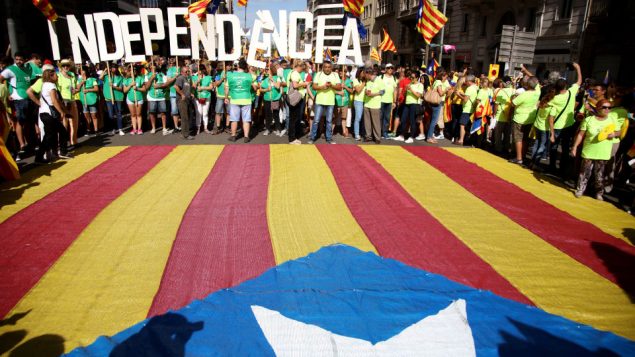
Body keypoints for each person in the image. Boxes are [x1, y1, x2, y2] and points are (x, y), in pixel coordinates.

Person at [571, 99, 619, 200]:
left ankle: (599, 193)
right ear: (598, 108)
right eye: (604, 107)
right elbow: (580, 135)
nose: (607, 110)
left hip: (603, 152)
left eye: (609, 108)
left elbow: (619, 132)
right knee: (584, 173)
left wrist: (614, 134)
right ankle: (580, 190)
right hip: (589, 150)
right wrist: (575, 147)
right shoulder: (589, 120)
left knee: (599, 175)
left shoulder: (612, 119)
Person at [548, 62, 582, 177]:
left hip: (557, 127)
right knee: (566, 147)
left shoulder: (555, 99)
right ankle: (563, 168)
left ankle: (552, 166)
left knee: (554, 147)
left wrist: (552, 133)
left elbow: (550, 116)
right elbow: (579, 81)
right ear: (566, 86)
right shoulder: (571, 93)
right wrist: (578, 68)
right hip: (569, 125)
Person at [0, 52, 33, 158]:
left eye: (21, 59)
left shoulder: (27, 69)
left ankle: (28, 143)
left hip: (27, 99)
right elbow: (1, 79)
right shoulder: (10, 69)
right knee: (20, 121)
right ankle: (22, 144)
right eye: (17, 59)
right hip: (18, 100)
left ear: (25, 60)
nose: (18, 61)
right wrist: (8, 93)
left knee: (27, 122)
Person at [36, 68, 71, 163]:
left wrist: (64, 110)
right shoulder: (51, 85)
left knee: (50, 134)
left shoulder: (44, 85)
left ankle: (41, 156)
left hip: (44, 113)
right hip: (49, 114)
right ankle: (61, 152)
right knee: (55, 134)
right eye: (56, 75)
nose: (57, 76)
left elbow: (56, 100)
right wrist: (61, 112)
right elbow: (54, 100)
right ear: (51, 76)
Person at [510, 68, 541, 164]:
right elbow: (535, 80)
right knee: (526, 139)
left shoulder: (524, 95)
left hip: (519, 119)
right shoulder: (537, 92)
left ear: (527, 84)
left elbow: (513, 104)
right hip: (530, 119)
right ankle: (522, 156)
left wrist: (513, 97)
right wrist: (525, 70)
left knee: (518, 138)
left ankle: (519, 158)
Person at [308, 61, 341, 144]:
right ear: (323, 67)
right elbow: (314, 86)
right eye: (325, 67)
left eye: (329, 67)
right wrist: (322, 86)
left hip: (330, 102)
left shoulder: (335, 75)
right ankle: (312, 138)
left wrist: (331, 86)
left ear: (331, 68)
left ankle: (329, 138)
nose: (327, 69)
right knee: (316, 120)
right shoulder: (318, 74)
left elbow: (339, 87)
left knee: (329, 121)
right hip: (319, 101)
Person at [225, 59, 256, 143]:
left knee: (234, 119)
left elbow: (227, 87)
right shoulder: (250, 76)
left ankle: (233, 136)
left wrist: (226, 97)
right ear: (246, 67)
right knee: (246, 119)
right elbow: (255, 87)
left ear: (238, 66)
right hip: (246, 99)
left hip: (235, 99)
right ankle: (246, 137)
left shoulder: (230, 75)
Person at [529, 86, 556, 169]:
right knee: (542, 145)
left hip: (537, 125)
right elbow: (551, 121)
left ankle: (532, 162)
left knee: (536, 143)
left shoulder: (542, 103)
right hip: (545, 128)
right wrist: (552, 133)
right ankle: (536, 164)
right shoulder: (552, 107)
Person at [147, 62, 175, 135]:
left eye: (154, 65)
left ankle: (164, 128)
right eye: (151, 66)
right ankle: (153, 128)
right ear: (150, 68)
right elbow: (146, 87)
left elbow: (166, 84)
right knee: (152, 113)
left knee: (163, 113)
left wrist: (159, 86)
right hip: (152, 97)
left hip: (161, 97)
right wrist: (151, 79)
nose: (153, 67)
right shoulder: (147, 75)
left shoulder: (162, 75)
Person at [56, 59, 80, 146]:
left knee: (74, 122)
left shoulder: (72, 75)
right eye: (64, 65)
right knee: (64, 124)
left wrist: (77, 89)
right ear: (61, 67)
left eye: (67, 65)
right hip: (64, 102)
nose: (66, 67)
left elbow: (76, 88)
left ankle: (74, 141)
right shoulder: (58, 76)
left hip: (72, 100)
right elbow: (57, 91)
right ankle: (62, 144)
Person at [100, 63, 125, 136]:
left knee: (118, 113)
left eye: (114, 68)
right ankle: (113, 128)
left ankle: (120, 129)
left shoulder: (120, 77)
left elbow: (121, 88)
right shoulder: (106, 77)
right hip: (109, 98)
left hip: (118, 98)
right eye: (112, 68)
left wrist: (113, 87)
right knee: (111, 115)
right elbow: (100, 78)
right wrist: (105, 70)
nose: (113, 69)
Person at [427, 71, 452, 143]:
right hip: (437, 102)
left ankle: (430, 136)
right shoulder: (439, 82)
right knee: (434, 121)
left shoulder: (436, 81)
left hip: (434, 102)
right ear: (442, 76)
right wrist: (446, 90)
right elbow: (441, 93)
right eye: (445, 77)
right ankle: (429, 137)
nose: (446, 79)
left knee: (433, 120)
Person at [287, 60, 308, 144]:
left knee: (293, 118)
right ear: (299, 67)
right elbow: (295, 85)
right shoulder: (295, 73)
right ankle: (292, 138)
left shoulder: (292, 72)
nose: (302, 70)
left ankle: (293, 136)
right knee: (294, 119)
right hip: (295, 98)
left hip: (294, 97)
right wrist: (304, 84)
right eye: (302, 69)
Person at [363, 67, 386, 143]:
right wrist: (366, 92)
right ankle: (368, 136)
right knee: (367, 122)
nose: (364, 76)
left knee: (376, 122)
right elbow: (366, 89)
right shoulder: (368, 81)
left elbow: (383, 91)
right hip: (367, 103)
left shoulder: (379, 80)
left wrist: (373, 94)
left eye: (365, 74)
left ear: (369, 74)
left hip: (375, 105)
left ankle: (377, 137)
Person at [492, 77, 514, 154]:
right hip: (510, 116)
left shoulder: (501, 92)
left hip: (501, 115)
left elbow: (496, 104)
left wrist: (494, 114)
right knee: (507, 134)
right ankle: (506, 148)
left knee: (498, 134)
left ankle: (498, 148)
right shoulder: (514, 91)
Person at [454, 74, 479, 145]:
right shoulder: (477, 87)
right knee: (469, 126)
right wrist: (463, 94)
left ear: (470, 81)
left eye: (466, 81)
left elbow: (465, 100)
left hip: (467, 109)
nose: (465, 83)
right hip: (473, 109)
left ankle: (461, 140)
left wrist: (458, 95)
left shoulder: (469, 88)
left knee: (462, 125)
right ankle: (468, 139)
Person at [123, 65, 147, 135]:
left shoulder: (140, 78)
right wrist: (130, 85)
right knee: (133, 115)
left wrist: (137, 88)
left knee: (139, 114)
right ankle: (134, 129)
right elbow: (124, 90)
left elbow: (144, 89)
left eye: (133, 70)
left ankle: (139, 129)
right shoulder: (126, 79)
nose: (132, 72)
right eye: (130, 70)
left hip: (139, 98)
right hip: (130, 99)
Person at [260, 63, 282, 135]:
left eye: (268, 69)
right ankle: (268, 129)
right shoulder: (265, 79)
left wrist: (272, 80)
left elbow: (278, 87)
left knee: (276, 114)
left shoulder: (277, 78)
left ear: (272, 70)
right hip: (267, 99)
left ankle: (278, 129)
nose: (266, 71)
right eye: (266, 70)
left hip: (275, 99)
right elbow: (261, 89)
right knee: (268, 114)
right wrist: (266, 90)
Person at [175, 65, 195, 140]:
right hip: (182, 100)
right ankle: (185, 134)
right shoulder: (180, 78)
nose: (187, 72)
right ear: (182, 72)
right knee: (184, 117)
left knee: (187, 116)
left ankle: (184, 132)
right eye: (186, 71)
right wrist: (182, 94)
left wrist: (191, 94)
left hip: (188, 99)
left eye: (188, 71)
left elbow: (187, 88)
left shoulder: (188, 79)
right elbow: (176, 87)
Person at [78, 65, 100, 136]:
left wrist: (88, 90)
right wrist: (82, 82)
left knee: (94, 115)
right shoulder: (79, 80)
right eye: (81, 71)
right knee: (86, 116)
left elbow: (96, 89)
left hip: (92, 100)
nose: (82, 72)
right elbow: (77, 88)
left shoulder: (92, 79)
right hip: (84, 101)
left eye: (83, 70)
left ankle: (96, 129)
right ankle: (88, 129)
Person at [193, 64, 213, 134]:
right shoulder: (194, 77)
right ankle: (198, 127)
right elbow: (193, 86)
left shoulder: (209, 77)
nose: (199, 71)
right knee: (198, 113)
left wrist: (202, 88)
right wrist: (197, 81)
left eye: (200, 70)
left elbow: (211, 87)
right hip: (197, 97)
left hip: (206, 97)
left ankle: (205, 127)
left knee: (205, 113)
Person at [380, 64, 398, 139]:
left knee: (387, 118)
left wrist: (394, 101)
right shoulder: (381, 77)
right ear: (385, 69)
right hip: (381, 100)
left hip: (389, 101)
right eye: (388, 68)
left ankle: (385, 132)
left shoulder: (394, 78)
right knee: (380, 117)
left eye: (392, 68)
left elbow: (395, 90)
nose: (390, 69)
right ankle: (378, 132)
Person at [335, 66, 353, 138]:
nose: (340, 72)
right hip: (336, 101)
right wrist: (338, 92)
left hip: (345, 102)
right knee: (334, 117)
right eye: (339, 71)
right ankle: (330, 131)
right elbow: (332, 90)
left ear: (345, 72)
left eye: (342, 71)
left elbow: (351, 91)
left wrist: (345, 86)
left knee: (344, 118)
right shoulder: (336, 80)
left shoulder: (349, 81)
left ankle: (344, 132)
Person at [213, 61, 228, 134]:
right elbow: (216, 84)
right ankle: (218, 127)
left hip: (228, 95)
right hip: (220, 95)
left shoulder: (230, 73)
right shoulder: (217, 74)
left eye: (222, 65)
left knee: (228, 112)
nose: (220, 66)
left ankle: (227, 127)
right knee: (218, 112)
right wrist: (222, 78)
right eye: (219, 65)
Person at [166, 57, 181, 132]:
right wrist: (175, 77)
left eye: (173, 60)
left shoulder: (182, 69)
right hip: (173, 93)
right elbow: (168, 81)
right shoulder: (170, 70)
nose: (172, 62)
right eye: (170, 60)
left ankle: (183, 125)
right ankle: (176, 126)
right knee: (174, 110)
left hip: (182, 93)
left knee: (182, 110)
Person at [351, 69, 366, 141]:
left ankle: (363, 133)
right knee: (358, 118)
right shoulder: (355, 80)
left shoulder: (367, 81)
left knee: (364, 118)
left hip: (366, 101)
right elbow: (358, 90)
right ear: (359, 73)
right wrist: (363, 83)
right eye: (363, 73)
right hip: (358, 101)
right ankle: (356, 134)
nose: (364, 74)